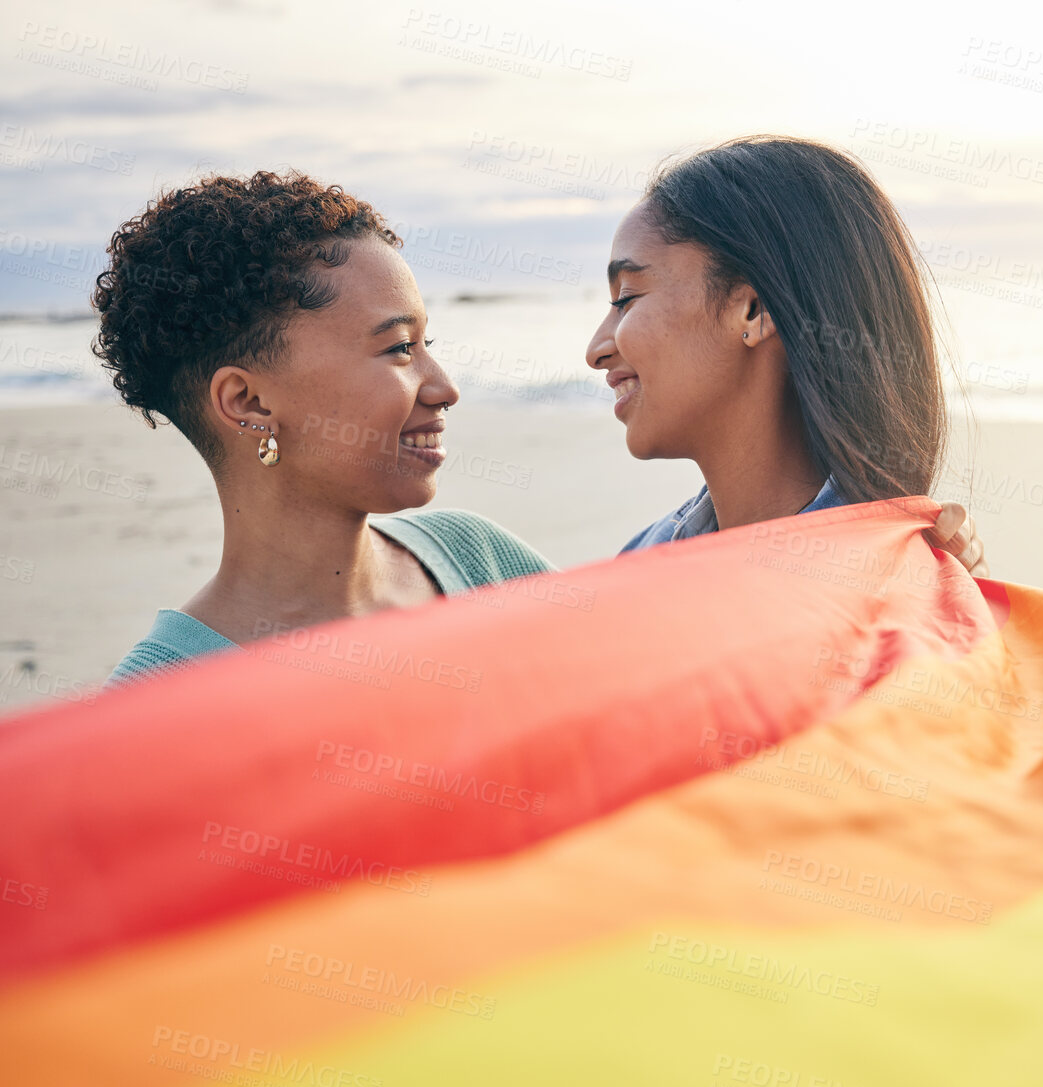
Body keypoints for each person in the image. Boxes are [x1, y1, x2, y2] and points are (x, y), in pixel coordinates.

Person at [98, 172, 554, 683]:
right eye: (400, 348)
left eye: (428, 344)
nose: (444, 388)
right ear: (248, 402)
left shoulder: (479, 562)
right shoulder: (153, 704)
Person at [588, 135, 989, 576]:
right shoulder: (640, 565)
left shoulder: (903, 589)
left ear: (753, 311)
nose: (597, 351)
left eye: (626, 298)